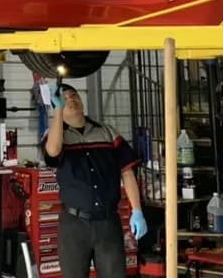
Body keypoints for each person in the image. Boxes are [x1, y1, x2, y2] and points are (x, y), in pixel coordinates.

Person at [42, 82, 148, 278]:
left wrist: (137, 210)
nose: (71, 100)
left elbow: (127, 172)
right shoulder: (56, 136)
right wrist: (57, 112)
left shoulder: (108, 132)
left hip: (108, 222)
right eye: (64, 98)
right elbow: (53, 151)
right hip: (73, 225)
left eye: (74, 95)